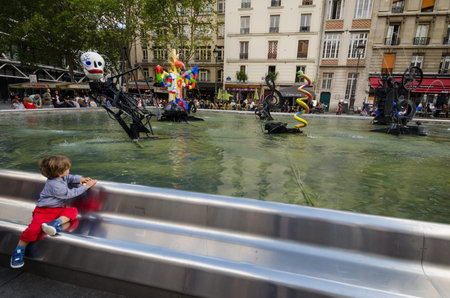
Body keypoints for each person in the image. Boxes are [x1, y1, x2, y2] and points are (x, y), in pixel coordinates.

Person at [10, 155, 97, 268]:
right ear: (60, 172)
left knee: (73, 211)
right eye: (67, 168)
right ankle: (18, 250)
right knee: (32, 230)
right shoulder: (55, 185)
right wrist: (86, 187)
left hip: (58, 209)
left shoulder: (60, 177)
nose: (68, 170)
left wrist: (80, 179)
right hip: (44, 212)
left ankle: (54, 224)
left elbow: (69, 177)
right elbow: (69, 194)